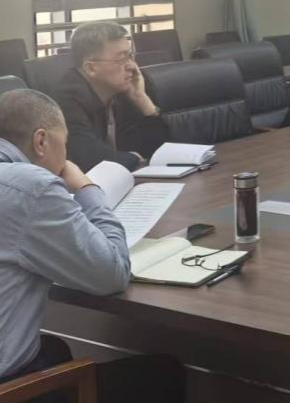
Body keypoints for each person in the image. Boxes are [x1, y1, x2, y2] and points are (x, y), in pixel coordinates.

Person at [0, 89, 185, 403]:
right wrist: (87, 188)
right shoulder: (31, 188)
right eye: (64, 143)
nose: (66, 156)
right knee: (162, 372)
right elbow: (112, 274)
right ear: (41, 141)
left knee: (55, 349)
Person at [55, 22, 166, 172]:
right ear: (91, 68)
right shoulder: (68, 99)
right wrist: (132, 158)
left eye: (130, 56)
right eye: (121, 59)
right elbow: (89, 158)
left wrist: (141, 98)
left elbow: (160, 150)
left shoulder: (125, 90)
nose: (131, 66)